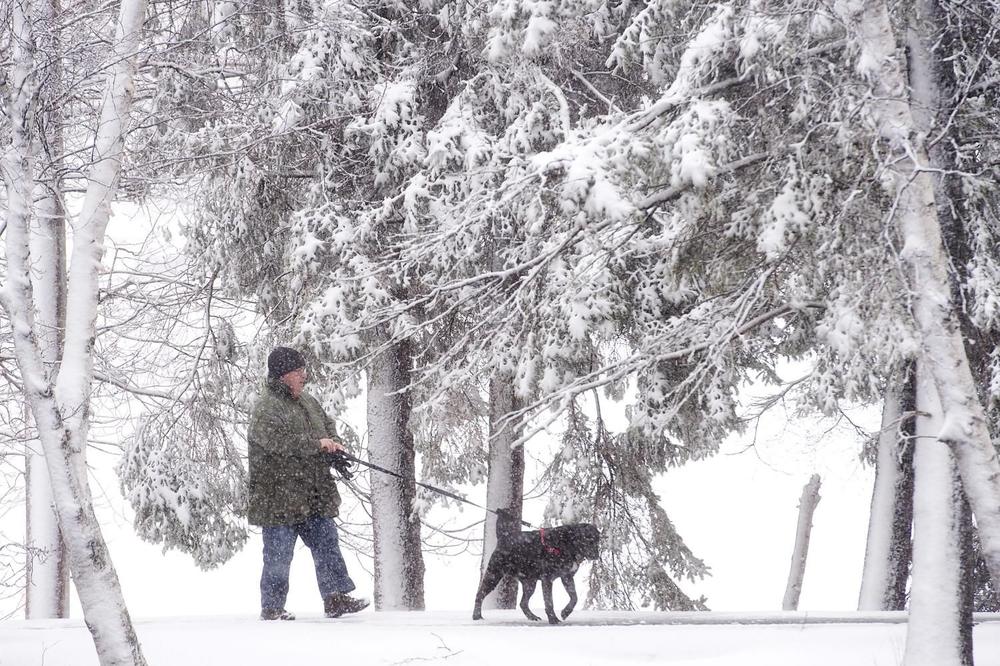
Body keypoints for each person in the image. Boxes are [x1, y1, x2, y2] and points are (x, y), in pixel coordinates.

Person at [248, 346, 369, 620]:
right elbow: (278, 444)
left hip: (313, 493)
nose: (304, 375)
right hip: (278, 497)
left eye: (303, 370)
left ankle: (336, 598)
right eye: (298, 371)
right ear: (283, 375)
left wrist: (335, 450)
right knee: (278, 556)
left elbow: (327, 429)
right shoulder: (266, 408)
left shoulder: (309, 402)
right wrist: (317, 445)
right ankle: (273, 608)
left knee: (327, 544)